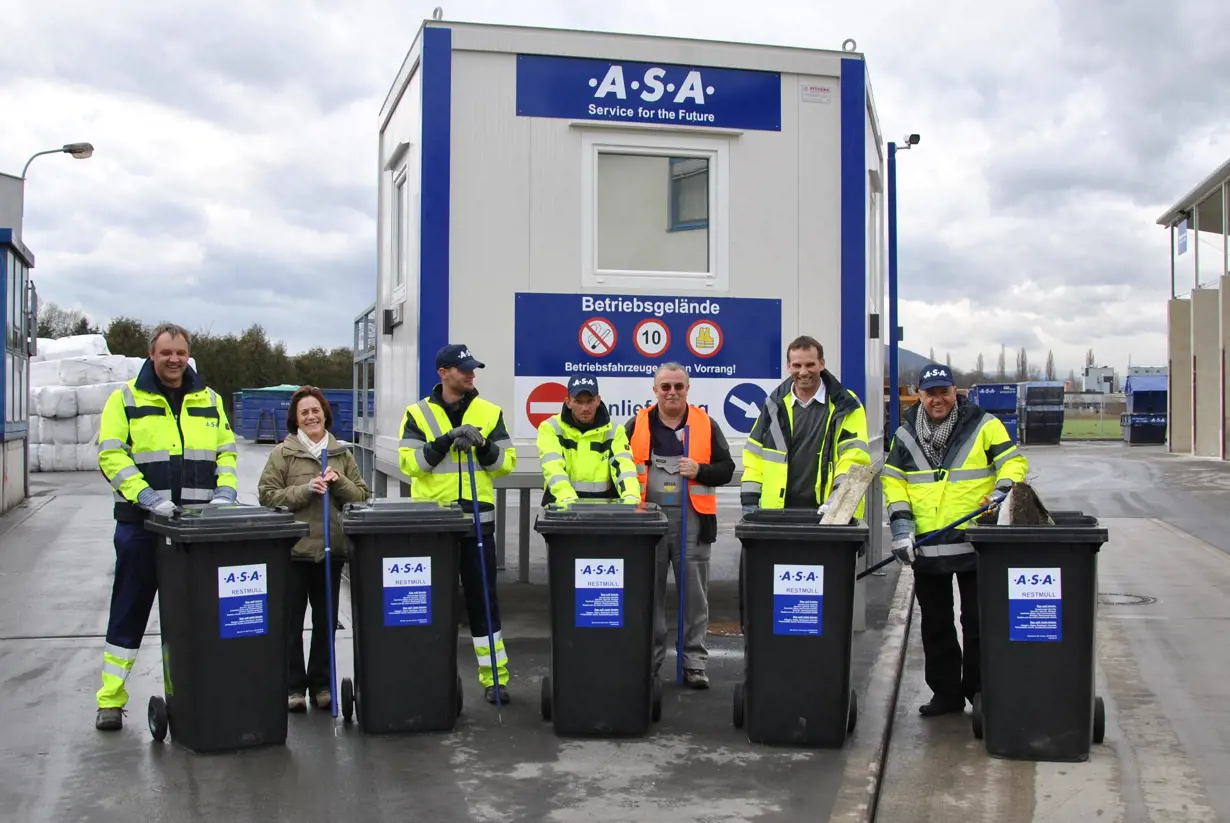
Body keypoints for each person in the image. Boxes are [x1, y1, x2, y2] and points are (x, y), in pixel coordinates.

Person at [93, 323, 238, 731]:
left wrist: (225, 495)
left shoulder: (209, 399)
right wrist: (147, 498)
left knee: (204, 615)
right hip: (142, 527)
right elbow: (112, 457)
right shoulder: (124, 400)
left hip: (197, 529)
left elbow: (226, 453)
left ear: (188, 354)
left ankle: (207, 690)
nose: (174, 360)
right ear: (151, 354)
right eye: (166, 353)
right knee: (129, 609)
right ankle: (110, 699)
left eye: (180, 352)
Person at [881, 363, 1028, 717]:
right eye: (930, 393)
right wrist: (902, 528)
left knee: (977, 622)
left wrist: (1002, 492)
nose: (938, 400)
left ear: (955, 393)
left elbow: (1014, 463)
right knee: (935, 624)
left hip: (974, 542)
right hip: (928, 545)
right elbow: (894, 483)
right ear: (919, 395)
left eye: (944, 392)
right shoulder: (904, 435)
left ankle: (978, 692)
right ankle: (945, 695)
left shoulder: (983, 425)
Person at [399, 344, 517, 704]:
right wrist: (445, 440)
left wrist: (482, 446)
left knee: (484, 601)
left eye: (473, 369)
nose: (470, 374)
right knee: (433, 605)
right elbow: (411, 464)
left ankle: (494, 677)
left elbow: (505, 465)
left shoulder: (489, 412)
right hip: (433, 527)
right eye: (463, 369)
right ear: (443, 372)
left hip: (478, 525)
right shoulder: (417, 414)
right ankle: (431, 674)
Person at [257, 386, 370, 713]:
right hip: (293, 552)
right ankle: (294, 687)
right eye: (304, 412)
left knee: (326, 623)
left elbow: (361, 496)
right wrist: (304, 490)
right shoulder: (283, 453)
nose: (311, 416)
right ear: (296, 418)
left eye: (315, 410)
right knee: (291, 624)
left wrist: (339, 483)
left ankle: (322, 685)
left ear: (325, 414)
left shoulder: (341, 453)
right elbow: (267, 495)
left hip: (331, 553)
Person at [625, 362, 735, 689]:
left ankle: (694, 663)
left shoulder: (705, 424)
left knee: (695, 598)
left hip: (692, 521)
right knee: (648, 596)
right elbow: (617, 468)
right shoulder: (637, 424)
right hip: (648, 523)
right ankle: (650, 662)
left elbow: (727, 469)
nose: (672, 392)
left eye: (678, 386)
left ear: (688, 389)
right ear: (655, 389)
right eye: (665, 386)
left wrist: (700, 469)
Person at [740, 335, 871, 517]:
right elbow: (754, 456)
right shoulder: (773, 406)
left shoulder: (846, 404)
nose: (803, 372)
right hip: (778, 514)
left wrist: (838, 499)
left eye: (810, 365)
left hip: (829, 514)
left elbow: (854, 457)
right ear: (788, 367)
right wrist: (749, 500)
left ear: (821, 364)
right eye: (796, 366)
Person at [536, 373, 640, 505]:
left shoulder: (615, 431)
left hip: (603, 511)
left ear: (598, 400)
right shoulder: (550, 428)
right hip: (560, 507)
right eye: (578, 402)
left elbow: (624, 468)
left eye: (590, 401)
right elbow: (553, 468)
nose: (585, 408)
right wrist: (567, 500)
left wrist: (631, 498)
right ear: (568, 402)